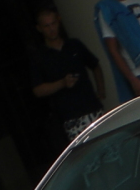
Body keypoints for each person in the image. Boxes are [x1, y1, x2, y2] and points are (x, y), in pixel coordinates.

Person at [29, 9, 106, 144]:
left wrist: (101, 90)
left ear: (58, 23)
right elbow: (38, 90)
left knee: (110, 147)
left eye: (53, 24)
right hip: (71, 117)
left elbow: (95, 65)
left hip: (93, 107)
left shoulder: (74, 45)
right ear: (39, 29)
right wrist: (62, 83)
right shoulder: (40, 57)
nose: (51, 29)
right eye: (47, 26)